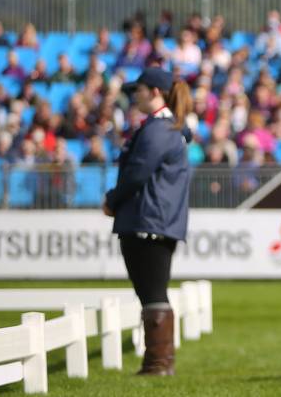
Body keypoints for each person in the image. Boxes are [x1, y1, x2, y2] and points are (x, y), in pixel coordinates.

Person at [102, 67, 191, 377]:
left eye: (138, 90)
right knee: (152, 291)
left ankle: (158, 362)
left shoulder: (158, 130)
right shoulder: (168, 128)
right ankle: (159, 361)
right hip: (154, 220)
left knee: (152, 292)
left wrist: (112, 199)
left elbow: (137, 172)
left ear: (154, 92)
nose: (134, 96)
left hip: (148, 220)